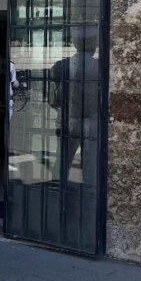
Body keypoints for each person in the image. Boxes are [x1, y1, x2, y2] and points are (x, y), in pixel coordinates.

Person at [49, 27, 99, 188]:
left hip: (67, 120)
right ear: (92, 44)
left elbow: (52, 100)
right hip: (92, 122)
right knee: (90, 162)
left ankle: (58, 188)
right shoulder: (100, 67)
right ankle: (88, 190)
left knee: (63, 160)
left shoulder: (60, 66)